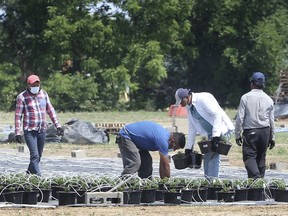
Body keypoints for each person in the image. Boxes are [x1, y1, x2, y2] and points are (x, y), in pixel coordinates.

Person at [174, 88, 234, 178]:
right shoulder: (189, 108)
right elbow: (192, 128)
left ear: (186, 97)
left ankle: (213, 182)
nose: (181, 105)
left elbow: (217, 115)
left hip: (220, 128)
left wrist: (216, 135)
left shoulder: (202, 99)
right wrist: (188, 148)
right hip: (209, 134)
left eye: (181, 102)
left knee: (214, 156)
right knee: (207, 156)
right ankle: (207, 181)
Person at [15, 74, 64, 175]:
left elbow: (50, 110)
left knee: (38, 156)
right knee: (35, 155)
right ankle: (39, 179)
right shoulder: (22, 97)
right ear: (28, 85)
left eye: (37, 84)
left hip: (41, 130)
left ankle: (28, 175)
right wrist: (18, 132)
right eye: (33, 85)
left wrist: (58, 125)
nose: (35, 87)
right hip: (30, 131)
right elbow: (18, 116)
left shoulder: (44, 94)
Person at [235, 72, 275, 179]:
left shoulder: (245, 97)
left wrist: (237, 134)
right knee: (261, 158)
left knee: (249, 157)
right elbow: (271, 121)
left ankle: (256, 179)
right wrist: (272, 137)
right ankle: (258, 188)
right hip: (265, 131)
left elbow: (240, 118)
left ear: (252, 83)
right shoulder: (269, 99)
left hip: (251, 131)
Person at [116, 121, 186, 179]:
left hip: (138, 142)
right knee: (135, 162)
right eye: (175, 147)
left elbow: (162, 163)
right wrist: (167, 183)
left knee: (147, 162)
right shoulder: (163, 140)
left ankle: (145, 183)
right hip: (126, 136)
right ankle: (123, 183)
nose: (173, 150)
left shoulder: (166, 137)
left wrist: (163, 181)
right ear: (173, 141)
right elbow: (165, 165)